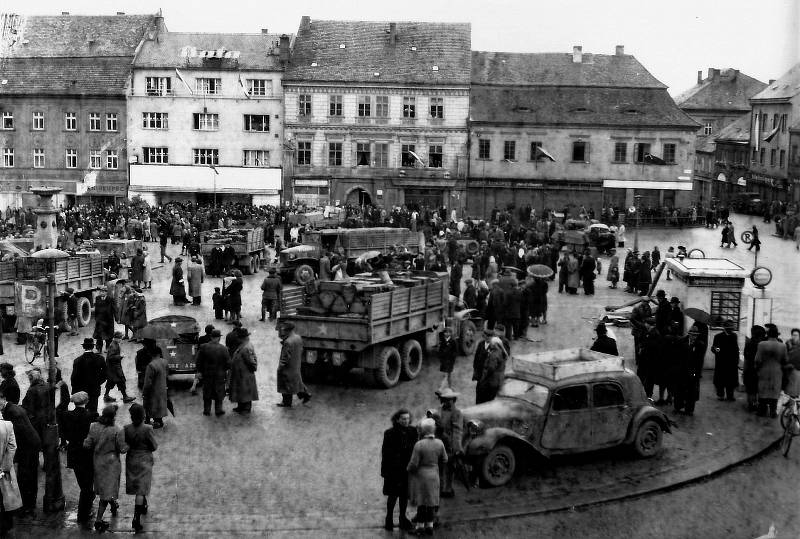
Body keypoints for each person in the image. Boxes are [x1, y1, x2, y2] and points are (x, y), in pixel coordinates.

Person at [84, 405, 128, 533]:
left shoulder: (94, 426)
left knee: (104, 487)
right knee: (107, 491)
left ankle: (113, 504)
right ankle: (98, 520)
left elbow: (87, 444)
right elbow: (122, 449)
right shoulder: (117, 430)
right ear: (114, 416)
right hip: (111, 464)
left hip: (97, 462)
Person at [0, 387, 41, 517]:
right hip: (31, 444)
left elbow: (15, 435)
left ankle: (27, 506)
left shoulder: (12, 412)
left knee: (26, 476)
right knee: (28, 476)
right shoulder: (12, 408)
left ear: (3, 399)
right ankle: (28, 504)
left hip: (28, 448)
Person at [62, 391, 98, 526]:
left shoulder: (67, 415)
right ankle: (83, 513)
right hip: (88, 453)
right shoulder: (92, 416)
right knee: (88, 484)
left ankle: (87, 504)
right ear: (86, 401)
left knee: (83, 482)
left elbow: (63, 432)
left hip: (74, 452)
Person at [407, 417, 446, 535]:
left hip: (421, 477)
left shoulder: (419, 445)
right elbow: (445, 459)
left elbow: (413, 464)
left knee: (421, 502)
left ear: (423, 431)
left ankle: (419, 528)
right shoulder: (439, 443)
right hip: (434, 475)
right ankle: (430, 526)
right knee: (431, 502)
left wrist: (408, 469)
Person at [380, 408, 417, 531]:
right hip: (394, 470)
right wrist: (384, 471)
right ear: (397, 419)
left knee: (404, 496)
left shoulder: (412, 431)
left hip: (407, 469)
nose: (406, 421)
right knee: (393, 495)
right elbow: (385, 453)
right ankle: (389, 518)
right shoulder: (389, 433)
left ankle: (402, 518)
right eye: (403, 419)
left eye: (407, 418)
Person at [124, 403, 157, 533]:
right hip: (144, 459)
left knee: (138, 485)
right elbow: (154, 446)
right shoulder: (148, 428)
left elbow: (125, 443)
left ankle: (143, 505)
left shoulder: (126, 428)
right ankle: (136, 519)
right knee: (141, 489)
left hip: (132, 459)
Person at [433, 387, 463, 499]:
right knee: (439, 467)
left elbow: (457, 431)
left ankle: (448, 489)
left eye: (449, 399)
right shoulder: (438, 411)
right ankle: (440, 489)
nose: (447, 401)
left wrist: (456, 448)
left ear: (454, 400)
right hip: (438, 443)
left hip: (449, 444)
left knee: (449, 468)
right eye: (445, 399)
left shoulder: (457, 413)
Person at [195, 329, 231, 416]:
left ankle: (206, 410)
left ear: (211, 337)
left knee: (207, 392)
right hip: (220, 375)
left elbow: (198, 361)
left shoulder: (204, 347)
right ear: (219, 338)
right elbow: (228, 363)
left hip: (207, 374)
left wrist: (200, 371)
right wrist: (223, 370)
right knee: (219, 392)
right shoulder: (224, 349)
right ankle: (218, 410)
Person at [755, 324, 788, 418]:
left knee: (763, 390)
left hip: (763, 371)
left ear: (768, 334)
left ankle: (762, 410)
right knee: (775, 390)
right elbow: (785, 360)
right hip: (777, 372)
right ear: (777, 335)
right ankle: (773, 412)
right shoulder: (783, 346)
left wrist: (757, 368)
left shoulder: (761, 344)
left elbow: (757, 360)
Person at [276, 322, 311, 407]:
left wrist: (280, 367)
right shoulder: (298, 338)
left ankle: (286, 402)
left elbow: (285, 358)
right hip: (296, 364)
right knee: (296, 382)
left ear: (287, 330)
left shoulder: (288, 341)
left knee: (286, 384)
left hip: (288, 367)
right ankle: (305, 394)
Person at [71, 337, 108, 413]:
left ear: (83, 347)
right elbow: (105, 374)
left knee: (82, 411)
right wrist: (98, 382)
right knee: (93, 409)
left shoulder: (77, 360)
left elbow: (74, 377)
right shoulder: (100, 358)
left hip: (81, 390)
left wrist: (75, 391)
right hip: (94, 388)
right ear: (93, 346)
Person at [0, 416, 21, 536]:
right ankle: (6, 525)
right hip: (3, 468)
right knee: (5, 497)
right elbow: (12, 447)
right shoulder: (7, 425)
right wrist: (5, 467)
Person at [229, 329, 258, 414]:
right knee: (240, 390)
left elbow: (251, 361)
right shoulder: (243, 345)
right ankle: (241, 406)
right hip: (240, 373)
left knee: (246, 391)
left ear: (243, 338)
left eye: (239, 337)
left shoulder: (246, 347)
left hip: (245, 373)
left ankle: (246, 408)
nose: (238, 339)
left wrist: (251, 369)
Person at [712, 320, 740, 401]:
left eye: (731, 328)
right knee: (720, 379)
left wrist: (736, 359)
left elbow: (736, 348)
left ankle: (730, 395)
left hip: (731, 361)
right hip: (721, 361)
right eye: (729, 328)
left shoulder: (734, 336)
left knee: (730, 380)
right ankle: (720, 395)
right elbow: (714, 347)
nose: (731, 330)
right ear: (725, 328)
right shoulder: (718, 336)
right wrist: (716, 349)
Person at [21, 368, 49, 444]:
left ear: (31, 379)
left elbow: (29, 405)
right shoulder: (47, 385)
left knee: (37, 434)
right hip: (46, 414)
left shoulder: (32, 390)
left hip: (37, 416)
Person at [105, 332, 135, 404]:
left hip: (112, 368)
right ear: (116, 338)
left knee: (110, 381)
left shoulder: (114, 344)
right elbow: (110, 357)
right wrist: (120, 356)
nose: (121, 339)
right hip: (115, 368)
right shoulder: (113, 346)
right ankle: (125, 397)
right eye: (120, 338)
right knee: (121, 380)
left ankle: (106, 396)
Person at [142, 348, 169, 429]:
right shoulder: (165, 362)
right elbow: (166, 374)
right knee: (160, 404)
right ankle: (159, 420)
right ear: (159, 353)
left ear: (151, 354)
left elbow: (147, 382)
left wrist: (144, 392)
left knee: (152, 404)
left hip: (153, 390)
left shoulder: (151, 365)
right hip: (162, 388)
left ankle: (156, 422)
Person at [476, 337, 507, 404]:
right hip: (498, 380)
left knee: (484, 400)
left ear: (495, 344)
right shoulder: (502, 352)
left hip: (491, 381)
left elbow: (491, 368)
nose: (490, 344)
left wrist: (483, 378)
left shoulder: (494, 355)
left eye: (491, 343)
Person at [743, 325, 766, 412]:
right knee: (758, 389)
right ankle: (758, 405)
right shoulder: (764, 344)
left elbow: (746, 356)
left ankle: (751, 405)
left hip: (750, 370)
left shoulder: (749, 343)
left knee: (751, 389)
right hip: (761, 370)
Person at [93, 286, 115, 353]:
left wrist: (116, 318)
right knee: (99, 335)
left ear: (106, 292)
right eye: (100, 291)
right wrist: (96, 318)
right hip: (99, 320)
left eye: (103, 292)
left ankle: (108, 348)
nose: (101, 293)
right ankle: (99, 349)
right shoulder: (97, 298)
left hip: (108, 320)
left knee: (108, 335)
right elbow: (96, 309)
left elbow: (113, 309)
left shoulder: (110, 299)